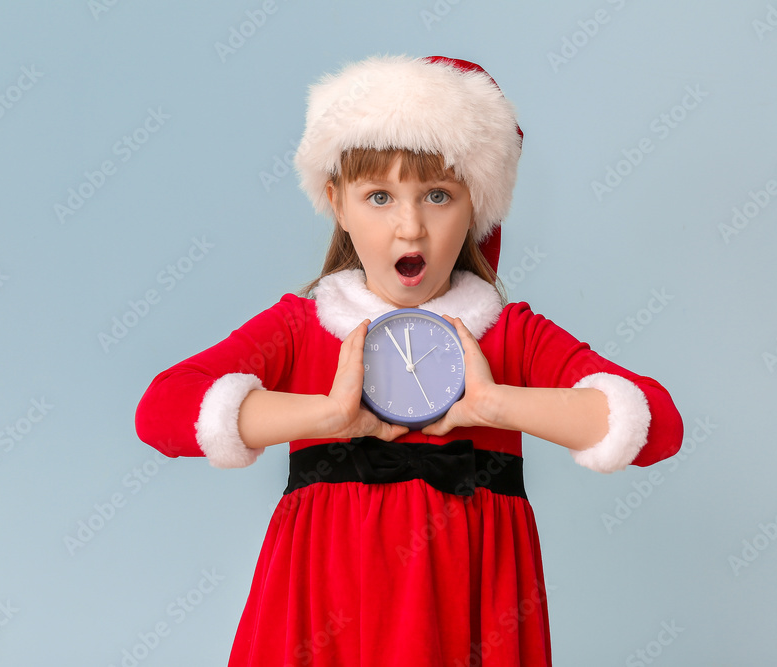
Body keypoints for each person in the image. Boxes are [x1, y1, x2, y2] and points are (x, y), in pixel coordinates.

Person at [135, 54, 684, 666]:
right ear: (335, 202)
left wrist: (496, 404)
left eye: (438, 195)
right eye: (378, 196)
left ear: (476, 207)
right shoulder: (301, 326)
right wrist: (324, 416)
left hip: (469, 618)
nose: (410, 227)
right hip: (320, 616)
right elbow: (160, 412)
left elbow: (659, 427)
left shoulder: (510, 337)